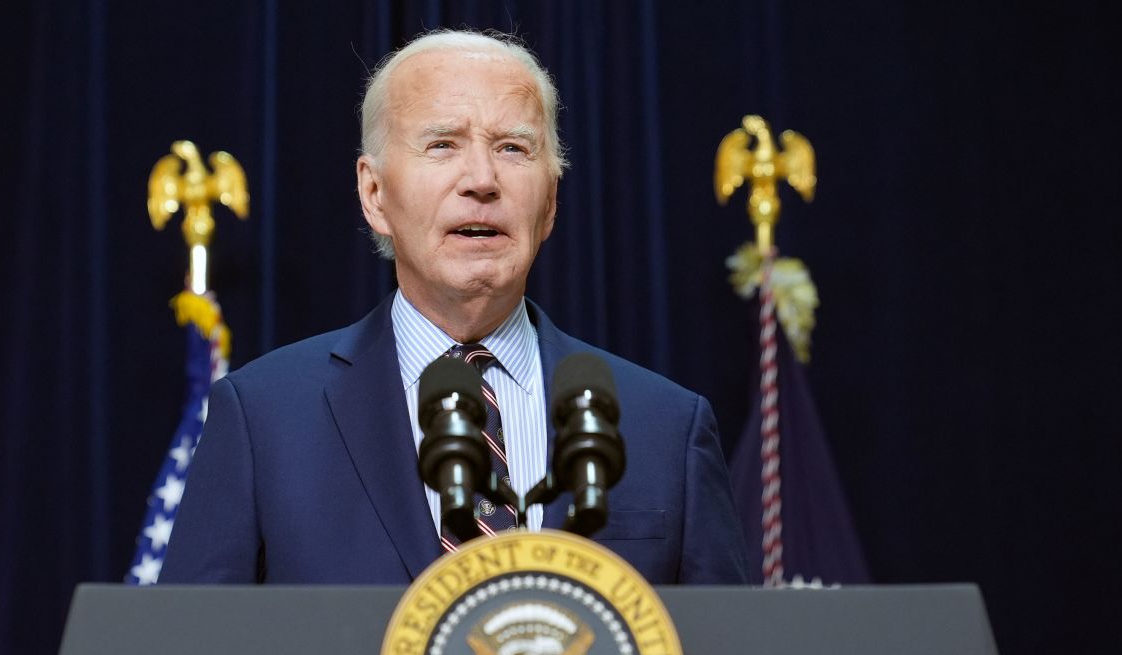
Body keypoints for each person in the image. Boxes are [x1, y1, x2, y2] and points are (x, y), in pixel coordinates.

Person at [159, 30, 748, 585]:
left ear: (550, 203)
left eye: (513, 148)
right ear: (374, 193)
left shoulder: (667, 426)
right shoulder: (263, 418)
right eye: (443, 145)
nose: (483, 179)